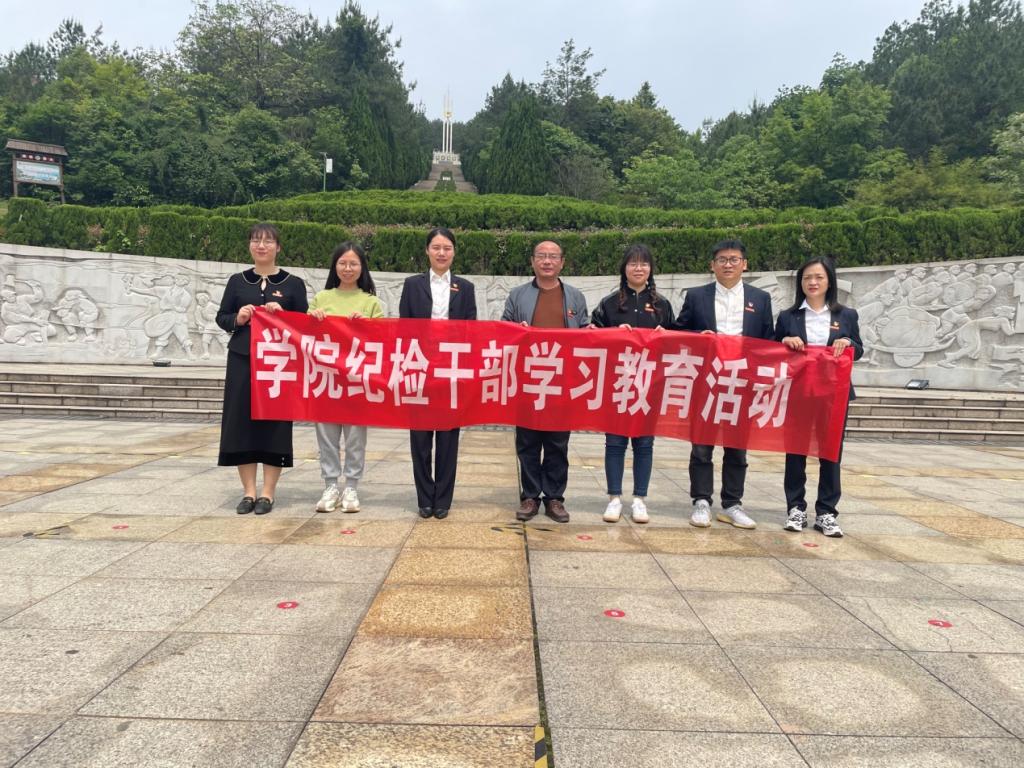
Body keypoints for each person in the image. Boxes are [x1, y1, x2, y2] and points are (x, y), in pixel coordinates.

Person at [676, 239, 774, 529]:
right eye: (722, 259)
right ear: (712, 265)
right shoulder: (696, 296)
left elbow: (768, 340)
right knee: (701, 447)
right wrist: (698, 337)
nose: (728, 264)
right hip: (707, 381)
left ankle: (732, 503)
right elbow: (678, 333)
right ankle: (701, 501)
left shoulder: (760, 299)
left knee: (737, 448)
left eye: (734, 259)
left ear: (745, 264)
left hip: (742, 382)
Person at [216, 223, 308, 516]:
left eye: (268, 241)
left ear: (278, 247)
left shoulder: (293, 283)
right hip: (243, 358)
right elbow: (222, 317)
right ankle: (248, 492)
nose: (261, 246)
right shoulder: (237, 281)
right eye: (256, 240)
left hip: (279, 362)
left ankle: (268, 493)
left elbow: (304, 323)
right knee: (240, 422)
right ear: (250, 246)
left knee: (275, 424)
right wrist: (239, 317)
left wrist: (284, 316)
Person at [502, 240, 590, 524]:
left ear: (562, 262)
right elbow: (503, 330)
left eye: (553, 256)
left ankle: (554, 498)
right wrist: (515, 330)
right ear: (533, 261)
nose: (547, 261)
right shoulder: (517, 295)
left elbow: (587, 333)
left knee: (557, 443)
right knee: (527, 442)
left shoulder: (574, 296)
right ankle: (529, 496)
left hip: (562, 381)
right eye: (542, 256)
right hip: (528, 380)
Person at [776, 256, 863, 538]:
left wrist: (848, 342)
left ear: (829, 281)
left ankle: (826, 511)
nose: (812, 282)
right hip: (798, 392)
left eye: (818, 277)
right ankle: (795, 508)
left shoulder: (846, 315)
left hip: (834, 394)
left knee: (831, 452)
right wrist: (785, 341)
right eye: (807, 278)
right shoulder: (788, 316)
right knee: (795, 451)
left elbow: (859, 349)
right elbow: (771, 349)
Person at [590, 244, 674, 525]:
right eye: (633, 263)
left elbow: (678, 342)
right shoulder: (609, 303)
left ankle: (640, 499)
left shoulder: (662, 305)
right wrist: (612, 334)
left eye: (644, 263)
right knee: (614, 442)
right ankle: (614, 498)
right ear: (624, 268)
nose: (639, 268)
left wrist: (666, 335)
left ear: (651, 269)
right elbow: (592, 336)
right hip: (617, 383)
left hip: (650, 384)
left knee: (644, 443)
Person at [398, 227, 477, 520]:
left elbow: (471, 330)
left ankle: (443, 499)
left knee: (447, 438)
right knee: (420, 439)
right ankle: (424, 498)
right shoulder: (412, 285)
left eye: (447, 248)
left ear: (454, 252)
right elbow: (404, 327)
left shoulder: (465, 288)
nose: (441, 253)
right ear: (427, 251)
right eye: (436, 247)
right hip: (419, 368)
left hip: (451, 371)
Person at [309, 242, 385, 514]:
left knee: (355, 438)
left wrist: (367, 326)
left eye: (354, 263)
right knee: (326, 437)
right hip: (326, 380)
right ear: (335, 266)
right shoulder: (321, 298)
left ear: (362, 268)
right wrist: (312, 319)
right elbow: (302, 337)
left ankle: (351, 486)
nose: (348, 268)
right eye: (343, 263)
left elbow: (383, 341)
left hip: (356, 381)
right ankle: (330, 485)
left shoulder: (371, 302)